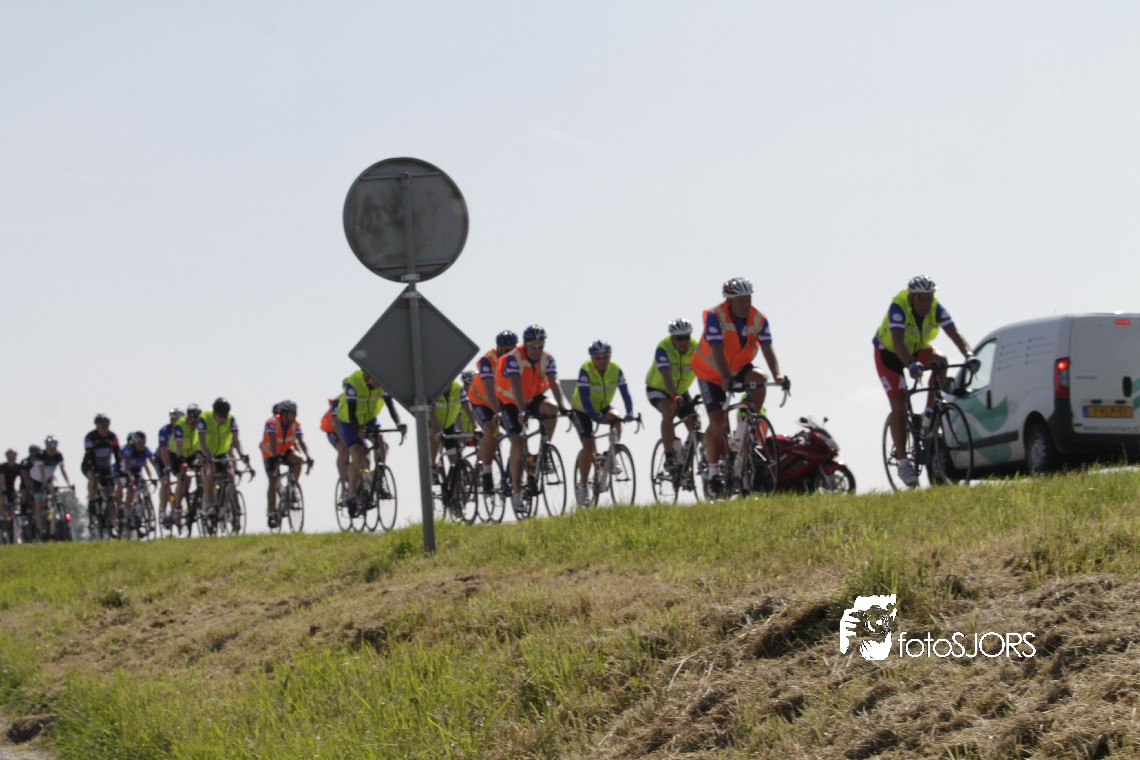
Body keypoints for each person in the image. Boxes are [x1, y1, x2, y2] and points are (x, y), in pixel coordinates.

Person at [874, 275, 979, 487]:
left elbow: (955, 333)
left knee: (941, 362)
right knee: (899, 404)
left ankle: (928, 417)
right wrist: (911, 364)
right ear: (911, 298)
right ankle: (903, 463)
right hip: (889, 354)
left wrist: (969, 355)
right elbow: (898, 342)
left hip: (916, 349)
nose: (925, 303)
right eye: (920, 299)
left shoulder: (935, 308)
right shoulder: (898, 307)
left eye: (929, 298)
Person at [690, 278, 788, 498]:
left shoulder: (758, 318)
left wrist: (778, 376)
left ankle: (749, 424)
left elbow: (767, 348)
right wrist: (725, 378)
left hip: (738, 368)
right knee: (718, 421)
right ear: (729, 301)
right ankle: (713, 472)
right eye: (740, 301)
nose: (746, 305)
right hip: (710, 372)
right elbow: (716, 348)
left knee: (760, 379)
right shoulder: (716, 316)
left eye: (748, 299)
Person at [494, 324, 570, 516]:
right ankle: (517, 492)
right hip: (510, 401)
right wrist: (521, 412)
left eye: (540, 346)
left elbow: (554, 382)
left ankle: (545, 450)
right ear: (525, 345)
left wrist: (562, 407)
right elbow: (516, 385)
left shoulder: (547, 359)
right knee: (518, 443)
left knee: (551, 409)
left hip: (532, 397)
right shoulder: (513, 358)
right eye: (533, 346)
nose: (537, 350)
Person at [570, 340, 635, 506]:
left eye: (605, 357)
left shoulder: (616, 370)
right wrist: (594, 416)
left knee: (617, 420)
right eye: (598, 358)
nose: (602, 361)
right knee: (589, 446)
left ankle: (610, 457)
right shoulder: (586, 370)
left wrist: (629, 412)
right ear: (592, 358)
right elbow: (584, 397)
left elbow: (625, 393)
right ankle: (583, 485)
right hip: (582, 409)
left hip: (602, 406)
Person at [336, 370, 407, 513]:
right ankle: (351, 493)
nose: (380, 384)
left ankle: (379, 478)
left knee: (380, 441)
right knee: (358, 455)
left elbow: (390, 405)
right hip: (349, 421)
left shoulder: (381, 382)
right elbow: (351, 410)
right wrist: (357, 427)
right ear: (367, 377)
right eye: (377, 380)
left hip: (369, 419)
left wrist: (398, 423)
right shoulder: (353, 383)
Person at [646, 318, 700, 473]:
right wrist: (674, 397)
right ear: (672, 338)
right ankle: (669, 456)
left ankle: (685, 451)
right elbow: (666, 376)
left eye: (686, 338)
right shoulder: (663, 348)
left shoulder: (696, 348)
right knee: (668, 413)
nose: (683, 342)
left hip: (681, 391)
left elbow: (706, 370)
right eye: (679, 338)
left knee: (695, 423)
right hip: (658, 388)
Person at [261, 399, 312, 528]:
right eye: (292, 413)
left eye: (296, 413)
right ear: (284, 414)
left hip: (285, 450)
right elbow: (272, 440)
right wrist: (275, 457)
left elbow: (301, 441)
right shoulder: (272, 423)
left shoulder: (296, 424)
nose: (295, 416)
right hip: (270, 453)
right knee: (273, 481)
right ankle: (271, 511)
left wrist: (308, 456)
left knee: (298, 460)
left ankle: (292, 486)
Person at [198, 397, 251, 519]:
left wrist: (242, 455)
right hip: (204, 451)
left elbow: (236, 441)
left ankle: (225, 504)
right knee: (211, 471)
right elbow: (201, 442)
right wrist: (208, 457)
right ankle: (208, 503)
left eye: (225, 416)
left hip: (222, 452)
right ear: (214, 413)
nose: (223, 419)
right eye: (220, 416)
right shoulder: (204, 419)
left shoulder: (231, 420)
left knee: (230, 475)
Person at [82, 414, 123, 529]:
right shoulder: (90, 437)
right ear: (97, 427)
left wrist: (120, 468)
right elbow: (89, 454)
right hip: (90, 465)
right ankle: (91, 500)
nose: (105, 429)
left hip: (106, 467)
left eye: (107, 427)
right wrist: (95, 470)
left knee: (111, 496)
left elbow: (117, 454)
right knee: (93, 478)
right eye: (102, 427)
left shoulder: (112, 437)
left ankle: (112, 524)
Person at [28, 438, 72, 539]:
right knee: (39, 505)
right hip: (37, 480)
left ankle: (54, 512)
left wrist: (69, 483)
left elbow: (63, 470)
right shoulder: (40, 455)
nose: (52, 450)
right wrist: (43, 484)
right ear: (46, 447)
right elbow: (42, 471)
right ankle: (41, 531)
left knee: (54, 491)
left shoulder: (58, 455)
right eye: (50, 448)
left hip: (49, 479)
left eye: (54, 448)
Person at [430, 376, 468, 484]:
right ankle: (433, 466)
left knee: (454, 461)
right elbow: (431, 414)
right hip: (434, 423)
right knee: (434, 437)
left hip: (449, 424)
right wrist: (438, 432)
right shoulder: (434, 389)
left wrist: (474, 427)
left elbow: (466, 408)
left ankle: (455, 488)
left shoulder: (458, 388)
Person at [170, 404, 203, 526]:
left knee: (203, 471)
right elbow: (179, 444)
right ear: (188, 418)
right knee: (182, 479)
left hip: (191, 453)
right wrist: (182, 459)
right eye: (192, 422)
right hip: (177, 454)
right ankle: (177, 509)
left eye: (196, 422)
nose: (194, 424)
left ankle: (200, 498)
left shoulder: (200, 425)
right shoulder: (180, 425)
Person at [120, 432, 156, 535]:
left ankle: (150, 519)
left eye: (143, 442)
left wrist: (152, 477)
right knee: (132, 490)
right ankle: (128, 513)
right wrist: (130, 477)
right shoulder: (129, 451)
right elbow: (127, 466)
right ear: (135, 443)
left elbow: (149, 463)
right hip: (126, 472)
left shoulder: (145, 450)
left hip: (138, 472)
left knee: (147, 492)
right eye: (139, 443)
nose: (142, 445)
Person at [155, 408, 182, 527]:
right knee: (165, 482)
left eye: (176, 419)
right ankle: (163, 511)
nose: (174, 421)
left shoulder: (184, 430)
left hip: (175, 457)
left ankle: (178, 504)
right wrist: (167, 467)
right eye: (172, 419)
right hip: (162, 458)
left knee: (183, 478)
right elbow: (164, 450)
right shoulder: (164, 431)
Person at [319, 397, 349, 492]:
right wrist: (343, 442)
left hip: (347, 429)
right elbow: (336, 426)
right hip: (333, 431)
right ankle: (343, 485)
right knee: (342, 450)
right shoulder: (339, 402)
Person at [1, 448, 28, 544]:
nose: (12, 457)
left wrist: (25, 489)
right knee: (2, 502)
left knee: (14, 506)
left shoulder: (18, 467)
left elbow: (24, 478)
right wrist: (4, 492)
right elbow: (1, 481)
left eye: (14, 455)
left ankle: (14, 529)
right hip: (3, 489)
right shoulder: (2, 467)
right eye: (10, 455)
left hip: (12, 489)